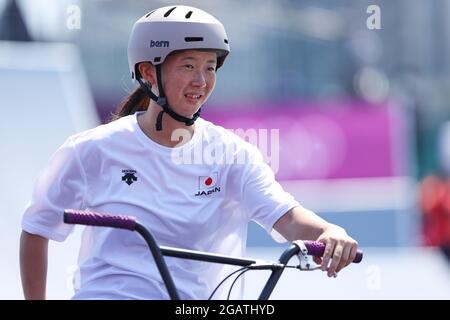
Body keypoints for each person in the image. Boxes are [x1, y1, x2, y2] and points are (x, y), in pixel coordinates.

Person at [20, 5, 359, 300]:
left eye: (210, 67)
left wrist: (329, 232)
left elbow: (286, 216)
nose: (202, 80)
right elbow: (37, 228)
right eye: (188, 66)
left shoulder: (233, 155)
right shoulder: (90, 150)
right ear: (148, 72)